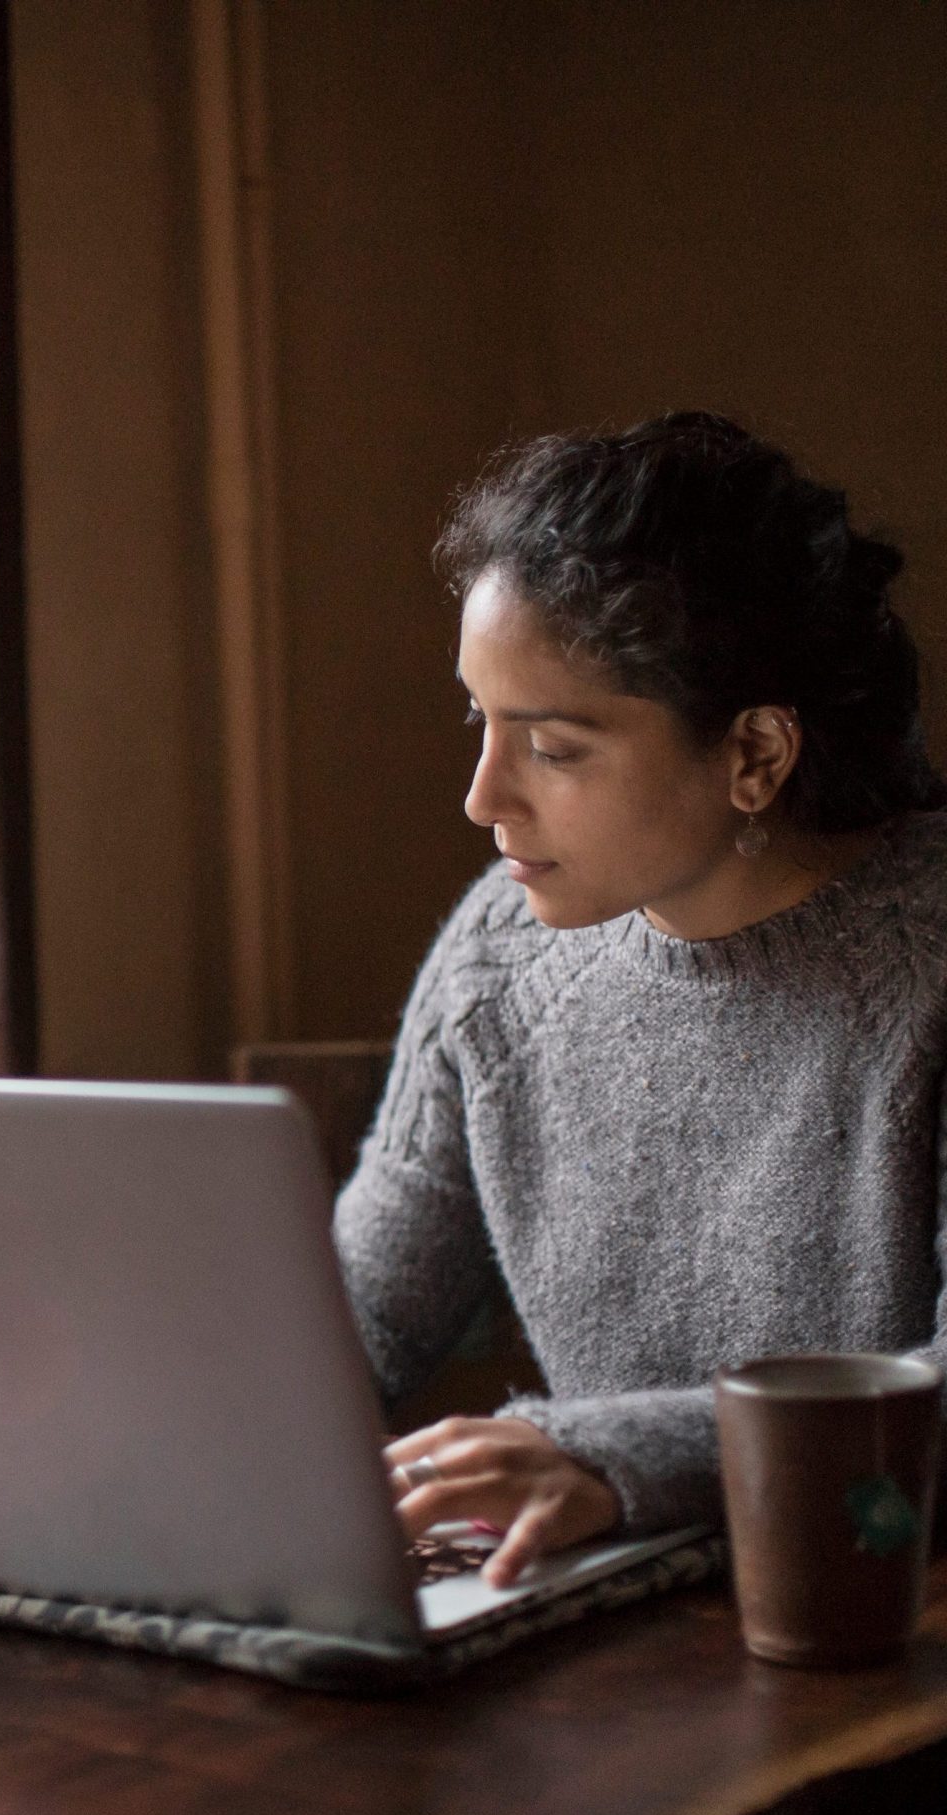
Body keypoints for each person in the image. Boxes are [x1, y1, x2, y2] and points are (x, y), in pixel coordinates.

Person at [336, 411, 947, 1588]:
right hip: (613, 1639)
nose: (482, 798)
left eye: (553, 747)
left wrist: (604, 1454)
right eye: (481, 722)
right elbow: (357, 1322)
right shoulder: (497, 958)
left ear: (756, 755)